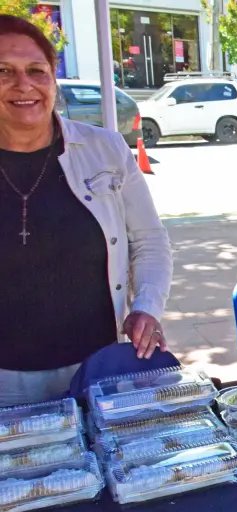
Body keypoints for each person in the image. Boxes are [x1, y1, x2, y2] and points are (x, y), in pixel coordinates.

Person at [0, 16, 173, 406]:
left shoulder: (105, 150)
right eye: (3, 71)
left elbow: (148, 240)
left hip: (95, 368)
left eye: (36, 71)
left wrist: (146, 307)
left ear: (53, 79)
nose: (23, 85)